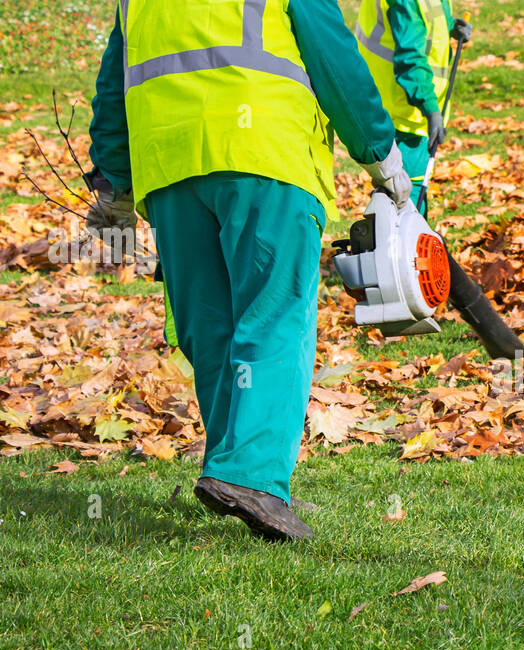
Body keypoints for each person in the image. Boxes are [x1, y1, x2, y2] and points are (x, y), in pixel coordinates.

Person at [86, 0, 412, 541]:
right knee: (274, 315)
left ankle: (233, 469)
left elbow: (114, 86)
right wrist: (379, 152)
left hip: (171, 168)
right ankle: (253, 477)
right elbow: (333, 59)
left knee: (209, 325)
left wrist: (115, 184)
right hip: (266, 154)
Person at [355, 0, 473, 215]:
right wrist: (431, 109)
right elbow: (410, 58)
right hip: (401, 114)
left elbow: (425, 21)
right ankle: (406, 247)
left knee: (403, 194)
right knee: (406, 199)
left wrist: (449, 26)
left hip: (405, 111)